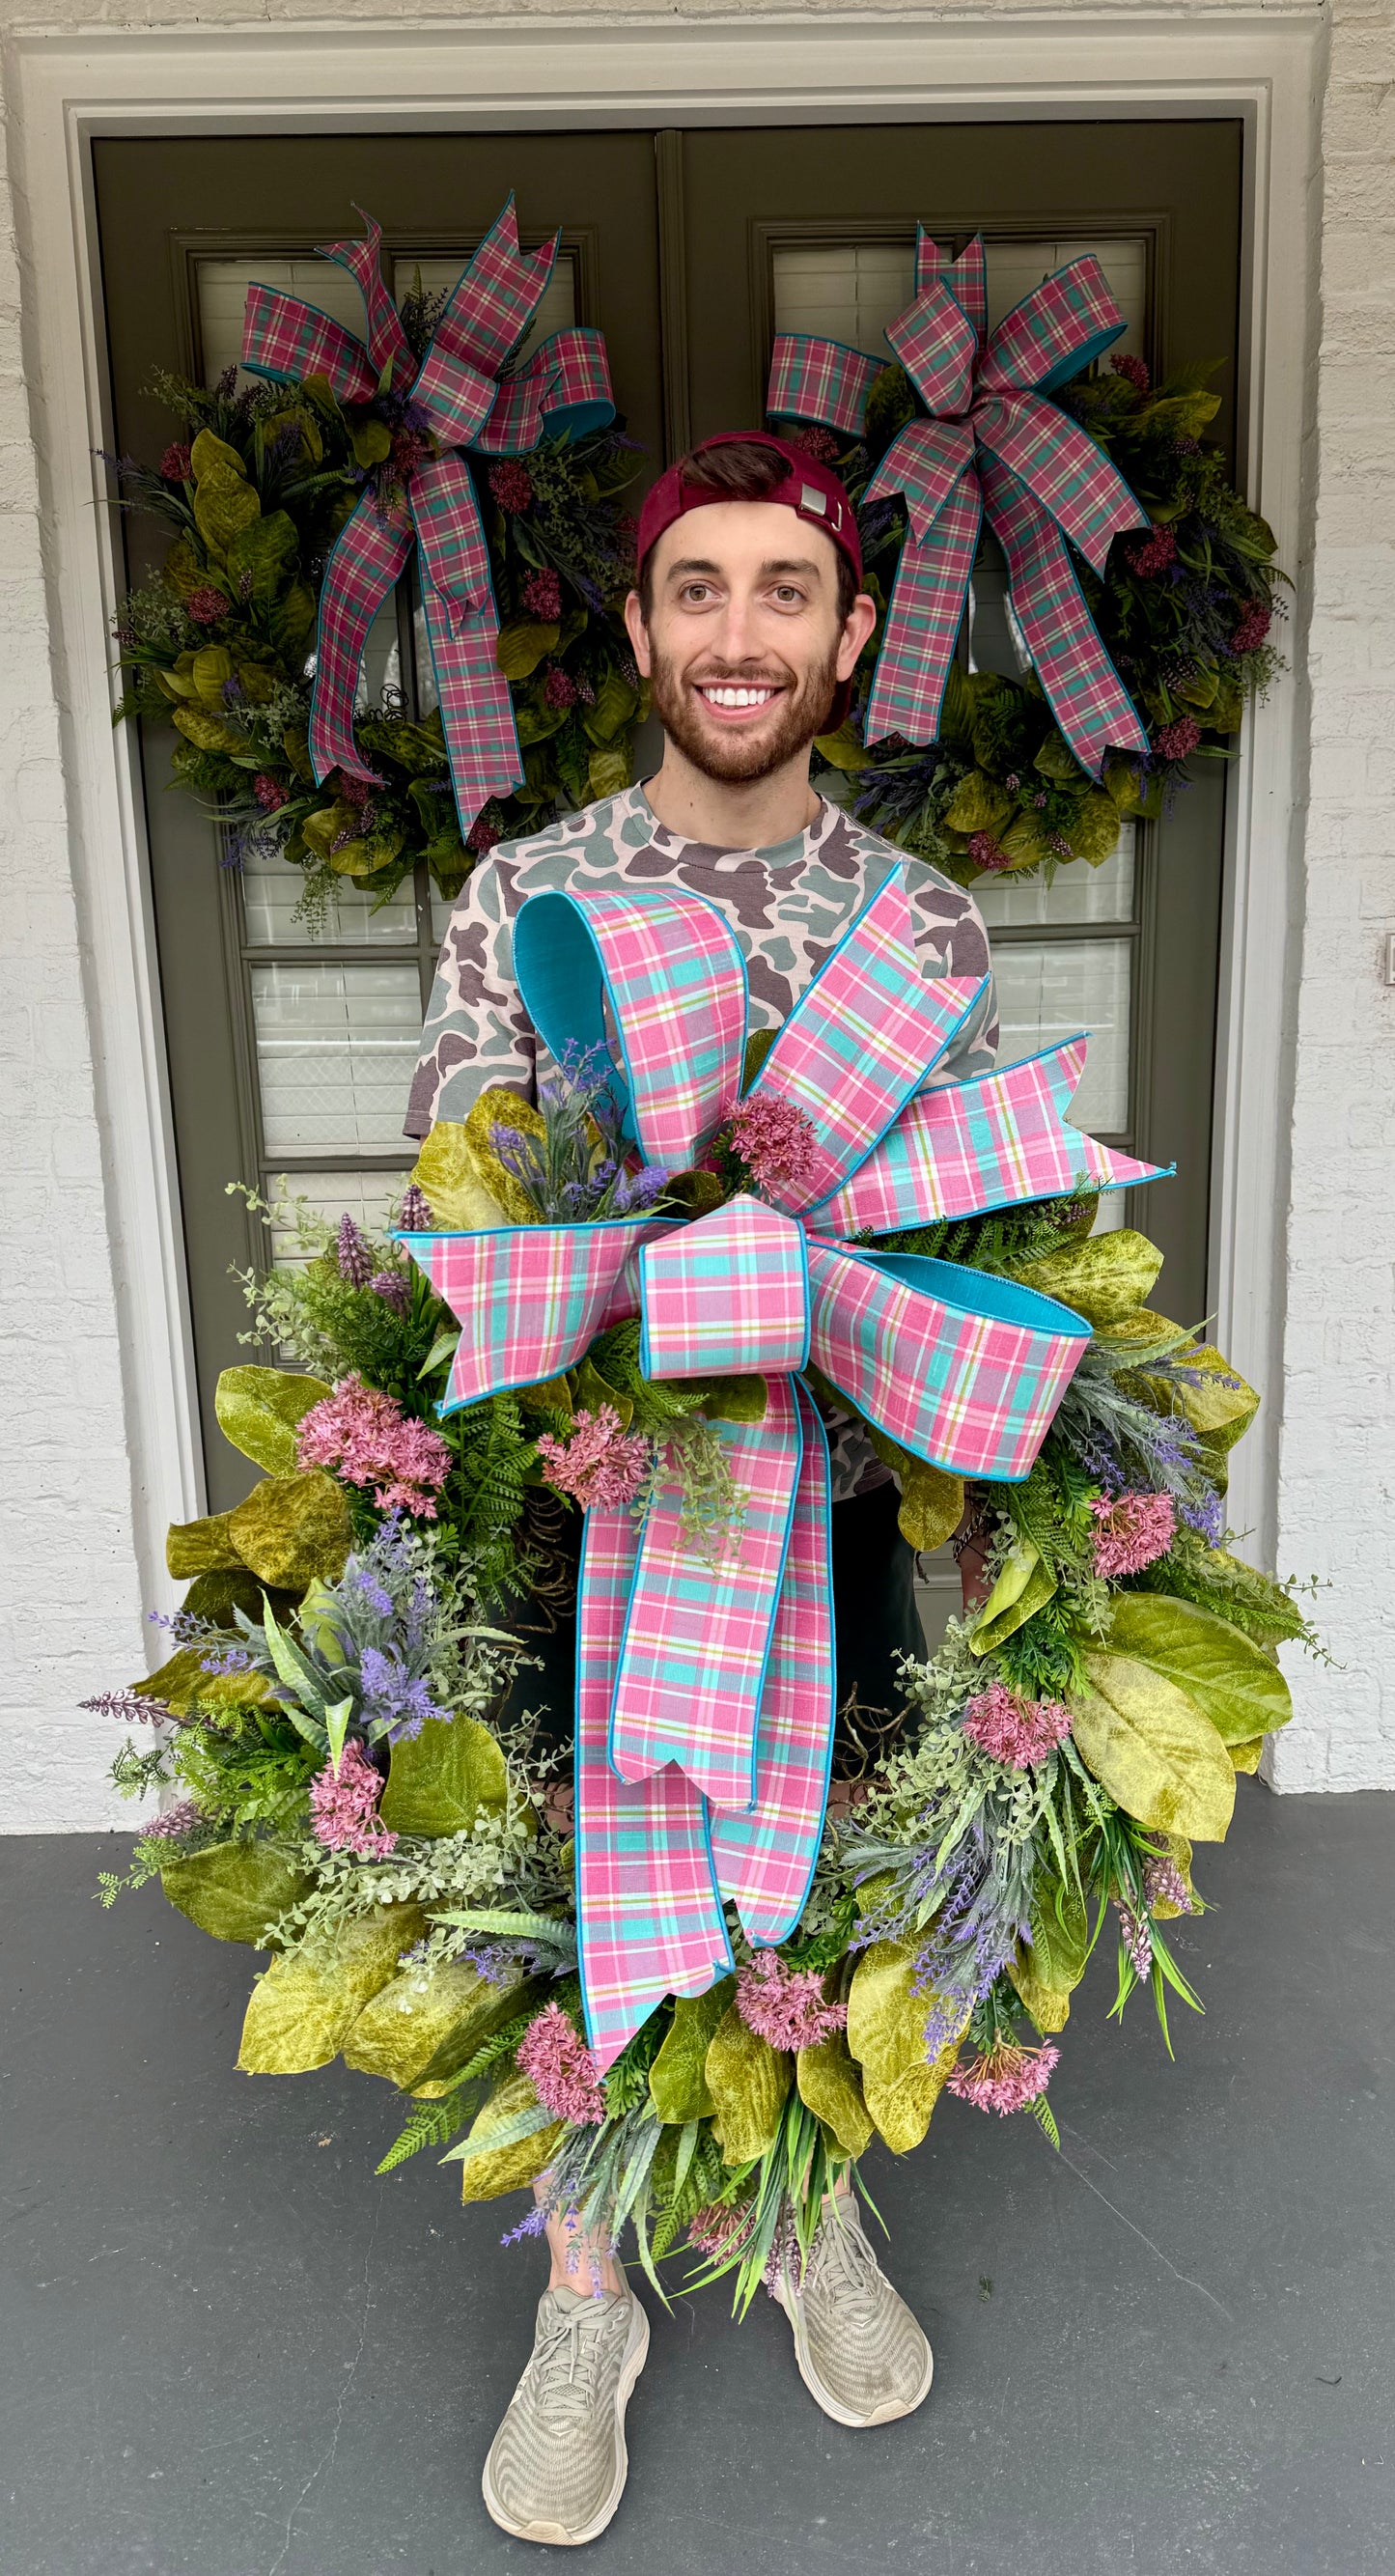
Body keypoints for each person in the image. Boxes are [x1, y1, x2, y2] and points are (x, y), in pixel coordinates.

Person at [405, 432, 998, 2547]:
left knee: (823, 1871)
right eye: (697, 591)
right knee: (560, 1893)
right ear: (640, 626)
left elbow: (973, 1229)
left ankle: (810, 2199)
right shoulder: (531, 895)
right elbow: (467, 1200)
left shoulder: (922, 922)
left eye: (782, 592)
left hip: (827, 1499)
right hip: (588, 1500)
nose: (737, 634)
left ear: (848, 634)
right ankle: (589, 2295)